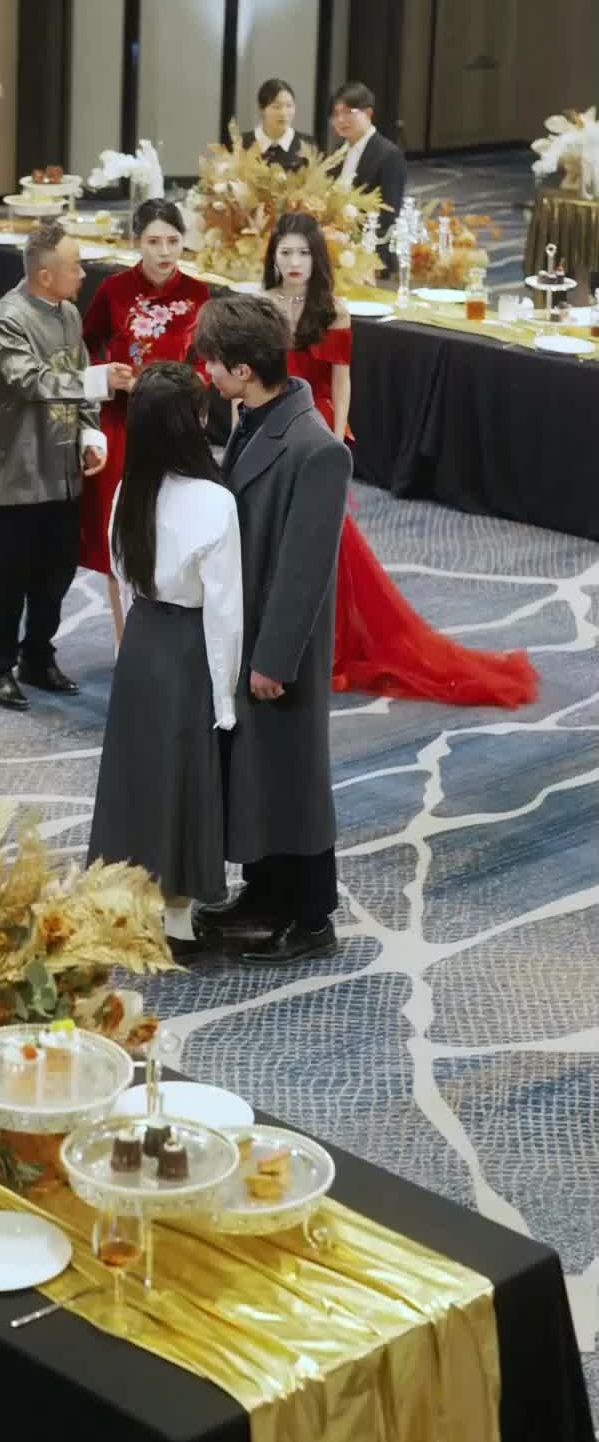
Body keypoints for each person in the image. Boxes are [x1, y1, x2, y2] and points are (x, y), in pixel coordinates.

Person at [264, 211, 539, 708]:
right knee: (278, 535)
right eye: (286, 252)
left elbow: (341, 379)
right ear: (273, 257)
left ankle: (329, 645)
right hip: (272, 428)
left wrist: (334, 440)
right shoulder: (262, 307)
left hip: (314, 430)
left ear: (317, 257)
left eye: (303, 252)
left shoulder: (333, 309)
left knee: (324, 539)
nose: (294, 261)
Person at [193, 294, 350, 964]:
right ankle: (265, 894)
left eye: (213, 363)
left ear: (244, 370)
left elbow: (304, 570)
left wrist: (273, 659)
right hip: (248, 632)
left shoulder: (316, 449)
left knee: (295, 780)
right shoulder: (252, 419)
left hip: (280, 649)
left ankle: (312, 919)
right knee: (259, 772)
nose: (206, 372)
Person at [87, 364, 243, 952]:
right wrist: (225, 698)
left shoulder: (127, 490)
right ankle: (176, 917)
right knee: (184, 777)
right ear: (194, 421)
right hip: (188, 646)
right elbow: (226, 610)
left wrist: (130, 644)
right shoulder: (215, 501)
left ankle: (126, 899)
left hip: (143, 638)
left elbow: (121, 576)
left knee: (135, 773)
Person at [0, 220, 131, 710]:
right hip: (14, 473)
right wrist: (99, 380)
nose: (83, 274)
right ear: (45, 275)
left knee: (56, 573)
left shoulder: (67, 313)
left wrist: (90, 433)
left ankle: (37, 656)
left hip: (61, 468)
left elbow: (76, 378)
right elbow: (33, 382)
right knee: (10, 577)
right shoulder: (5, 319)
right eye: (75, 266)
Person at [80, 199, 211, 647]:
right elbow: (84, 348)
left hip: (177, 426)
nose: (164, 252)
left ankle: (173, 641)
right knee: (123, 535)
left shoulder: (199, 294)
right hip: (124, 424)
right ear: (137, 241)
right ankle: (126, 646)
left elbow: (205, 362)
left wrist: (187, 389)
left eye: (173, 241)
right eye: (154, 241)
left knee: (178, 532)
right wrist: (105, 376)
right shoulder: (113, 290)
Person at [329, 81, 406, 274]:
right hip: (336, 251)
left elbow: (388, 216)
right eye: (336, 114)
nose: (341, 119)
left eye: (349, 112)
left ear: (368, 113)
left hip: (370, 257)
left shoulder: (389, 155)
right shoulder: (338, 152)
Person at [240, 78, 309, 171]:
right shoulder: (241, 144)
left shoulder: (307, 145)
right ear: (261, 109)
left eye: (289, 105)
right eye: (276, 107)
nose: (283, 113)